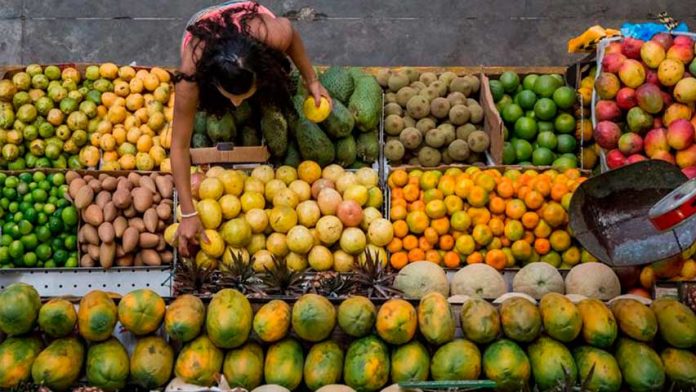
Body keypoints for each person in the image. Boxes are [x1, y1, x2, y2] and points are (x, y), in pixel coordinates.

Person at [171, 1, 329, 257]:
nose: (236, 103)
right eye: (230, 96)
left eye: (244, 95)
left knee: (270, 98)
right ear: (211, 81)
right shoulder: (191, 73)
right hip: (206, 32)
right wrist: (188, 213)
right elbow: (178, 146)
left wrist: (312, 80)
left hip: (251, 30)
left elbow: (291, 34)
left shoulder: (273, 36)